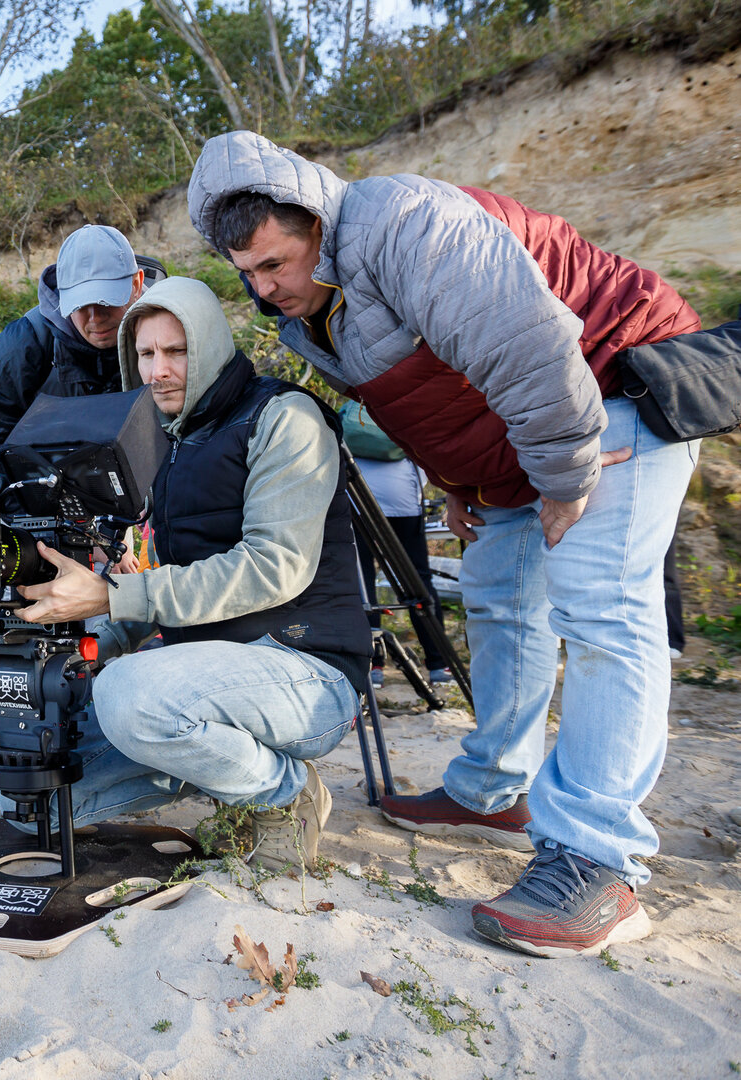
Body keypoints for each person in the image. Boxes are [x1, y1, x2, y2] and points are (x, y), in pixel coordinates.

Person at [190, 129, 703, 956]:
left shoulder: (406, 223)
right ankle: (494, 788)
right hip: (518, 442)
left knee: (603, 608)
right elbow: (418, 396)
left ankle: (600, 862)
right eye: (246, 273)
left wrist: (567, 473)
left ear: (317, 220)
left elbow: (524, 343)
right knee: (502, 603)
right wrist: (458, 482)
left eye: (276, 264)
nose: (263, 288)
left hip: (613, 388)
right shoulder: (314, 312)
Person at [9, 276, 370, 877]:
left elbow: (273, 566)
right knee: (31, 797)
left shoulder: (284, 418)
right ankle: (212, 763)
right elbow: (158, 583)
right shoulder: (162, 443)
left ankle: (284, 792)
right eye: (144, 355)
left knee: (129, 696)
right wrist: (85, 632)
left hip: (305, 669)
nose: (158, 371)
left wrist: (113, 594)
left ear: (209, 344)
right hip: (198, 677)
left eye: (175, 351)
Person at [0, 224, 166, 475]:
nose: (95, 318)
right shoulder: (20, 348)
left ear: (136, 283)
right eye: (81, 304)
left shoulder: (168, 330)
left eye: (107, 300)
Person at [342, 403, 451, 685]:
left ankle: (372, 665)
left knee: (362, 585)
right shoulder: (405, 406)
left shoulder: (351, 408)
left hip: (359, 498)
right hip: (403, 500)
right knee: (417, 581)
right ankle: (438, 664)